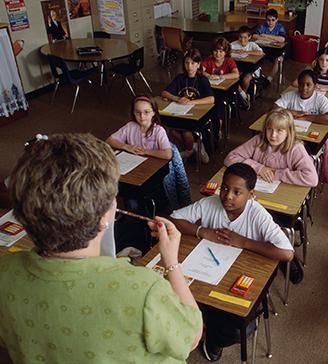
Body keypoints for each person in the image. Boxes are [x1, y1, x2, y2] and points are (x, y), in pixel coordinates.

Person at [0, 133, 202, 363]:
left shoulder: (4, 270)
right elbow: (191, 336)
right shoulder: (142, 289)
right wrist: (171, 262)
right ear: (105, 218)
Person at [171, 162, 294, 361]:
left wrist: (243, 241)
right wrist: (202, 231)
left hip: (239, 274)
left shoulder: (258, 215)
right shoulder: (210, 203)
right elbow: (175, 218)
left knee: (238, 329)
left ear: (251, 194)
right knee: (175, 295)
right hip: (208, 268)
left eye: (237, 192)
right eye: (225, 188)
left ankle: (211, 335)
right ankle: (202, 320)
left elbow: (287, 253)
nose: (228, 196)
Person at [106, 95, 191, 209]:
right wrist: (126, 146)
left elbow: (168, 154)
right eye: (138, 112)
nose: (141, 117)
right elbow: (109, 140)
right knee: (131, 200)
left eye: (146, 112)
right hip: (136, 171)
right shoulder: (130, 126)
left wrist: (146, 151)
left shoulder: (158, 131)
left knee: (139, 201)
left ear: (154, 113)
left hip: (155, 176)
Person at [224, 109, 318, 187]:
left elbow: (312, 178)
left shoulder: (296, 149)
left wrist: (276, 174)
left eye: (279, 131)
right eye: (269, 129)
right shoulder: (258, 140)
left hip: (282, 190)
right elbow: (230, 158)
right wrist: (258, 168)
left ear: (289, 132)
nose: (273, 135)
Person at [161, 48, 215, 163]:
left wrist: (191, 102)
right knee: (171, 129)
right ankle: (193, 146)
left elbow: (211, 99)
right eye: (186, 63)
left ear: (198, 64)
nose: (189, 66)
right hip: (180, 113)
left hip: (196, 116)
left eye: (193, 63)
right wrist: (177, 98)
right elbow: (165, 93)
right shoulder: (180, 78)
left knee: (186, 131)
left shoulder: (202, 80)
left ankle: (190, 149)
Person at [230, 25, 264, 108]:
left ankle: (242, 97)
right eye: (240, 37)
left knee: (245, 80)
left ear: (249, 37)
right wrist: (237, 51)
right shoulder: (234, 44)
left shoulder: (252, 45)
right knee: (233, 80)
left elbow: (261, 53)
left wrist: (247, 52)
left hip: (251, 68)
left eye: (245, 37)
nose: (242, 40)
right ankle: (243, 96)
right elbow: (227, 50)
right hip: (239, 67)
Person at [253, 9, 287, 85]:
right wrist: (272, 38)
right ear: (265, 19)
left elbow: (282, 39)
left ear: (277, 20)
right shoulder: (262, 26)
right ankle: (258, 75)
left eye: (273, 20)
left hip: (277, 50)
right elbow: (254, 35)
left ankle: (269, 78)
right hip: (265, 48)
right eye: (268, 20)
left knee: (278, 59)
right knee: (256, 55)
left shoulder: (280, 27)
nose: (270, 22)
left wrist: (266, 36)